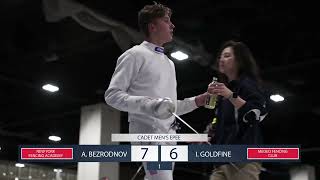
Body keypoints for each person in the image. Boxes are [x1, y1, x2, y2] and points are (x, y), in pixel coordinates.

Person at [104, 2, 207, 180]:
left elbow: (169, 108)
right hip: (147, 133)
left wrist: (197, 101)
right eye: (167, 21)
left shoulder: (169, 63)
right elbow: (112, 95)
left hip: (169, 137)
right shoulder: (134, 55)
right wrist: (150, 105)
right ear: (153, 27)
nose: (172, 25)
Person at [206, 40, 269, 180]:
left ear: (240, 61)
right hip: (222, 160)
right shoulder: (224, 94)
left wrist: (230, 95)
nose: (222, 59)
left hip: (243, 159)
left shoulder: (248, 85)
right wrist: (208, 135)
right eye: (221, 56)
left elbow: (258, 113)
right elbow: (223, 126)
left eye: (227, 56)